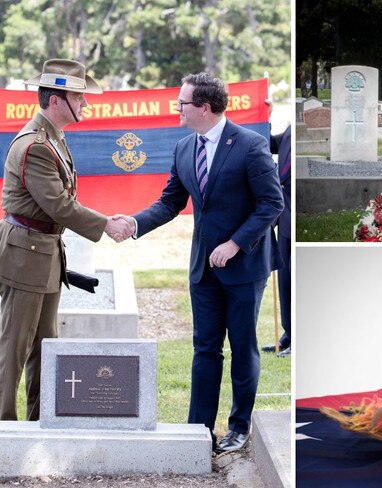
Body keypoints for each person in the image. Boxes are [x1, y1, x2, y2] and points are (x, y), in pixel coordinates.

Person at [118, 73, 283, 453]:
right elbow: (171, 202)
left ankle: (239, 426)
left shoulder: (250, 145)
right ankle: (198, 429)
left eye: (183, 103)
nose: (177, 109)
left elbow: (271, 205)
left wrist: (235, 244)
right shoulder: (183, 148)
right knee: (205, 347)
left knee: (243, 347)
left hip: (244, 267)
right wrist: (134, 222)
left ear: (204, 108)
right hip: (203, 268)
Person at [0, 59, 133, 423]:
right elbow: (59, 205)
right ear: (56, 100)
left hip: (42, 252)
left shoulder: (53, 139)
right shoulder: (37, 145)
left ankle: (38, 422)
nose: (85, 104)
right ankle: (5, 428)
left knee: (45, 347)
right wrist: (107, 225)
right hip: (23, 255)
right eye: (79, 97)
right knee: (15, 347)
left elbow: (62, 202)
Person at [261, 104, 291, 358]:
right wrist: (264, 116)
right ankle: (288, 334)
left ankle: (299, 338)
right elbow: (270, 144)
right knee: (285, 283)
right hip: (284, 220)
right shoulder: (291, 130)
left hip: (295, 219)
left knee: (296, 280)